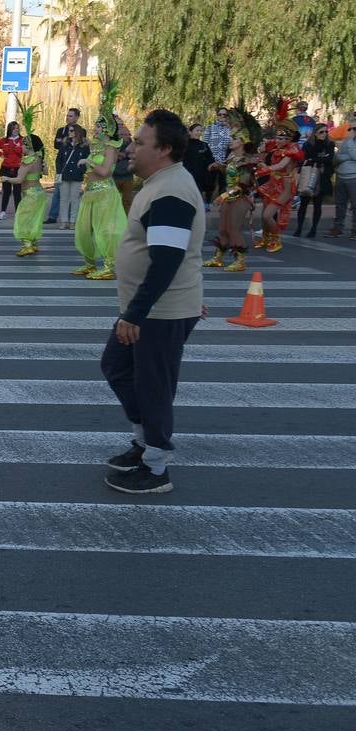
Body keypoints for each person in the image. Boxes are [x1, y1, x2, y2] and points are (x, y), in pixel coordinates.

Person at [102, 109, 205, 495]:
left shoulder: (172, 190)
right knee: (116, 367)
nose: (130, 148)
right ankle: (144, 442)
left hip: (158, 311)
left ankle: (157, 466)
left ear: (163, 149)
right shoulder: (159, 182)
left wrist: (136, 314)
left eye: (140, 142)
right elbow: (181, 252)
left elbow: (167, 260)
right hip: (157, 307)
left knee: (153, 385)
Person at [73, 98, 128, 281]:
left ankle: (109, 266)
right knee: (84, 229)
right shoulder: (95, 146)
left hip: (104, 193)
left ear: (106, 130)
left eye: (98, 127)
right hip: (90, 192)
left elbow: (105, 172)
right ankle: (89, 263)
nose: (94, 129)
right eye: (95, 126)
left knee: (104, 230)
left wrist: (88, 162)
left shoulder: (110, 148)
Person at [204, 131, 255, 271]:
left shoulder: (247, 161)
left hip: (240, 198)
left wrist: (223, 196)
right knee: (223, 229)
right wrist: (218, 166)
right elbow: (229, 171)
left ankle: (240, 261)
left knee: (234, 229)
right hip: (229, 196)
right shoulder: (232, 156)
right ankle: (218, 258)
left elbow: (243, 185)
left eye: (234, 139)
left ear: (242, 143)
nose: (230, 140)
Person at [255, 109, 304, 252]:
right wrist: (261, 150)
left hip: (285, 186)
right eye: (278, 137)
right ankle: (265, 237)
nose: (279, 140)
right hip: (271, 183)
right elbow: (261, 156)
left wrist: (267, 169)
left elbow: (281, 165)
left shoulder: (292, 149)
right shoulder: (275, 146)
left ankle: (276, 239)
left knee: (267, 214)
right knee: (264, 214)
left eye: (283, 138)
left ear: (289, 139)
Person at [13, 125, 48, 257]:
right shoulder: (39, 158)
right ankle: (34, 244)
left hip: (30, 195)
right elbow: (45, 172)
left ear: (28, 146)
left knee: (23, 219)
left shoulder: (27, 160)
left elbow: (19, 180)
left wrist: (6, 178)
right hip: (40, 193)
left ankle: (28, 245)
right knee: (34, 219)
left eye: (23, 145)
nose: (21, 147)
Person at [295, 123, 335, 238]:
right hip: (308, 176)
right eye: (321, 132)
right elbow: (303, 158)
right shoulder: (308, 144)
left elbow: (329, 159)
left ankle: (313, 229)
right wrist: (319, 159)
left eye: (326, 132)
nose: (324, 134)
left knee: (318, 204)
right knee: (303, 203)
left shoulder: (329, 144)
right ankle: (299, 228)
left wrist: (314, 159)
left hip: (321, 177)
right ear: (315, 133)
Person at [47, 108, 81, 223]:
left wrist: (64, 141)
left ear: (77, 117)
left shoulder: (81, 131)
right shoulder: (61, 130)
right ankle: (53, 216)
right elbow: (56, 145)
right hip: (62, 165)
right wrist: (64, 141)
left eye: (71, 116)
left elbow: (80, 145)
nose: (68, 118)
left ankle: (71, 218)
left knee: (73, 195)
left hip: (74, 167)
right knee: (58, 191)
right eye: (67, 115)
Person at [54, 125, 89, 229]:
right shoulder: (64, 145)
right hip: (64, 175)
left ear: (77, 132)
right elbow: (59, 159)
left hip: (77, 176)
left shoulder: (84, 146)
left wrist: (81, 170)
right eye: (69, 131)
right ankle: (64, 220)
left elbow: (87, 160)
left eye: (72, 131)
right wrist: (59, 172)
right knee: (64, 199)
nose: (69, 132)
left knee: (75, 199)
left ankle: (73, 220)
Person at [0, 121, 25, 220]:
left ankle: (18, 212)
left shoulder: (22, 140)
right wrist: (1, 155)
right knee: (6, 191)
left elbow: (26, 151)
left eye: (17, 128)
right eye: (14, 128)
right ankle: (2, 212)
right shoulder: (4, 140)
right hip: (5, 168)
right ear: (10, 129)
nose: (16, 130)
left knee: (17, 191)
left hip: (17, 168)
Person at [332, 112, 356, 239]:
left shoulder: (349, 142)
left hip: (354, 177)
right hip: (341, 175)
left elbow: (354, 156)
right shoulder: (345, 141)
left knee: (355, 205)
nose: (351, 131)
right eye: (350, 128)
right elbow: (337, 157)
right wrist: (343, 157)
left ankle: (354, 230)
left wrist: (346, 155)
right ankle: (338, 228)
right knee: (340, 204)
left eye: (354, 129)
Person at [200, 106, 234, 198]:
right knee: (210, 182)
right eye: (220, 114)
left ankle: (221, 202)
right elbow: (205, 144)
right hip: (212, 159)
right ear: (217, 115)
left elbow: (234, 144)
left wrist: (230, 129)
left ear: (228, 116)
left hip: (225, 160)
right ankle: (207, 203)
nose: (222, 116)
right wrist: (207, 159)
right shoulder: (210, 127)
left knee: (223, 182)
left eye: (225, 114)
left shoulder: (231, 129)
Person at [183, 124, 216, 204]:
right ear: (190, 132)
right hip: (187, 176)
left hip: (201, 176)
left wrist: (212, 165)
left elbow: (210, 159)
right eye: (197, 130)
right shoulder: (184, 145)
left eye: (201, 131)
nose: (199, 133)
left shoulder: (204, 145)